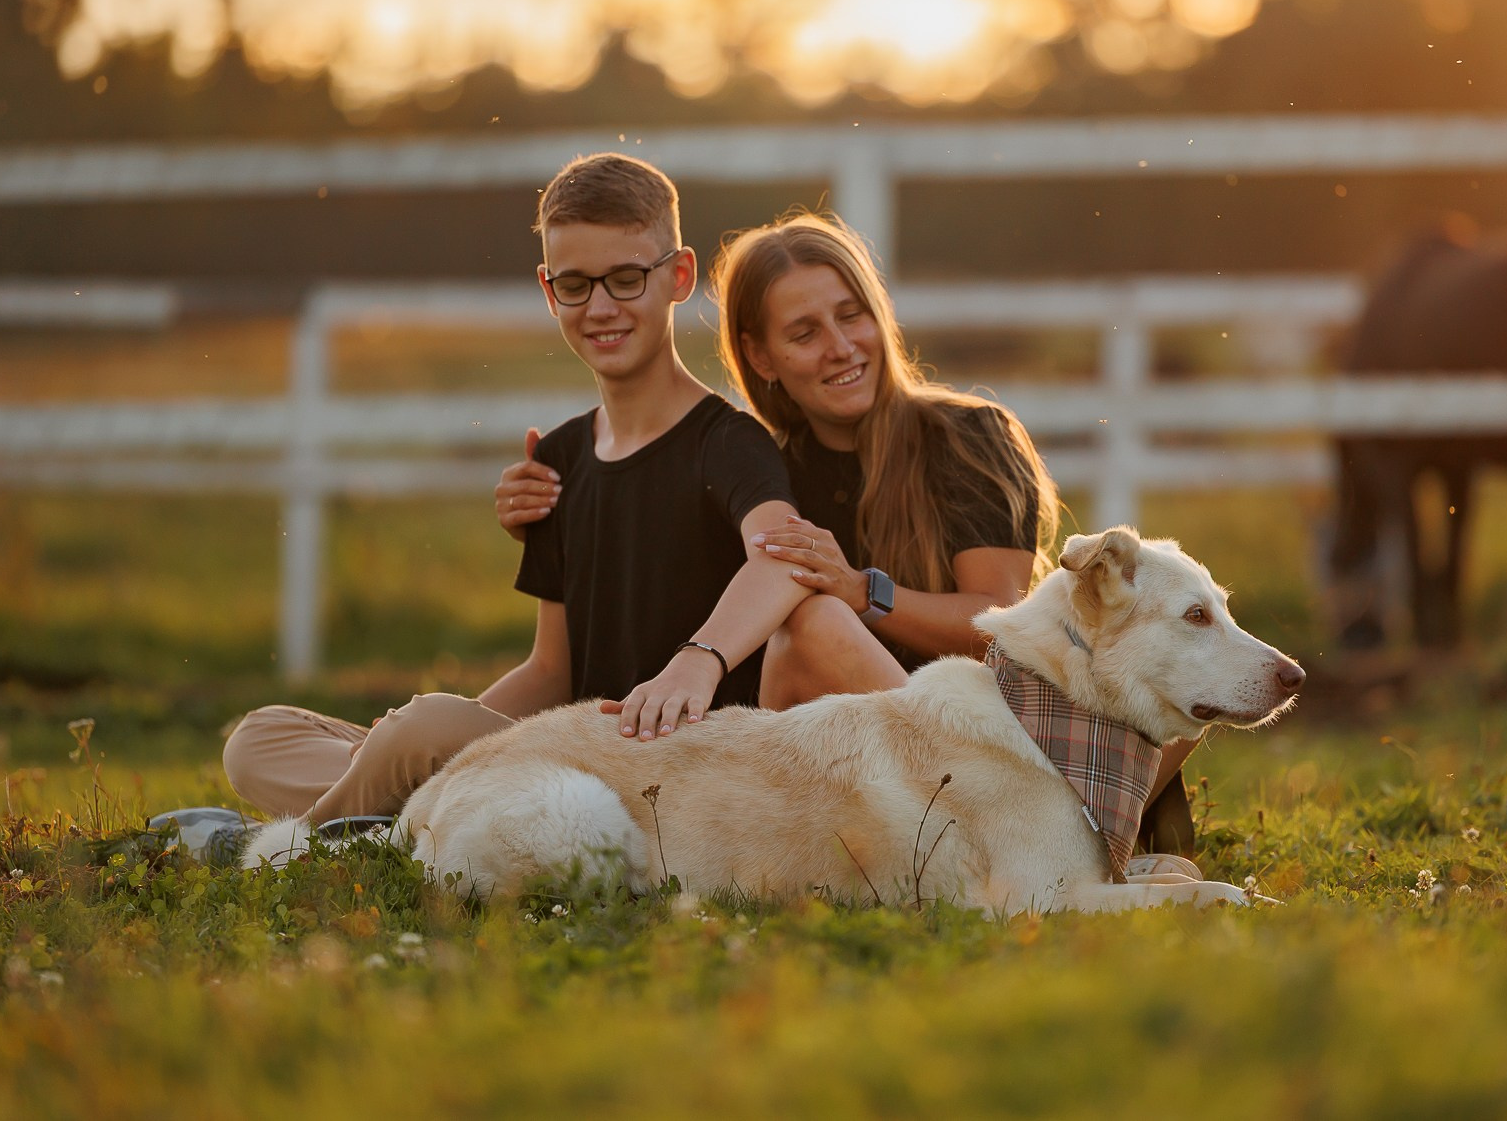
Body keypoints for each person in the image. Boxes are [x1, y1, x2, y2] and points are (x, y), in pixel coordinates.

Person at [163, 153, 835, 857]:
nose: (601, 307)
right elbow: (551, 671)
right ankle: (392, 814)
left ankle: (293, 848)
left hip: (657, 774)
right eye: (574, 285)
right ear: (549, 291)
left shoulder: (728, 443)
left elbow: (784, 556)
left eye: (627, 278)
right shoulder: (559, 460)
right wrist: (425, 736)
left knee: (423, 731)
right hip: (550, 755)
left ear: (679, 276)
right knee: (260, 737)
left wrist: (698, 661)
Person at [502, 212, 1197, 841]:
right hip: (844, 770)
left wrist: (865, 592)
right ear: (762, 357)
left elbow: (1000, 623)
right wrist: (559, 507)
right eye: (804, 333)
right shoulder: (764, 475)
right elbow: (666, 576)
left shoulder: (965, 437)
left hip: (987, 733)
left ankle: (1033, 823)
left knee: (818, 622)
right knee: (806, 626)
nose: (840, 346)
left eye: (851, 315)